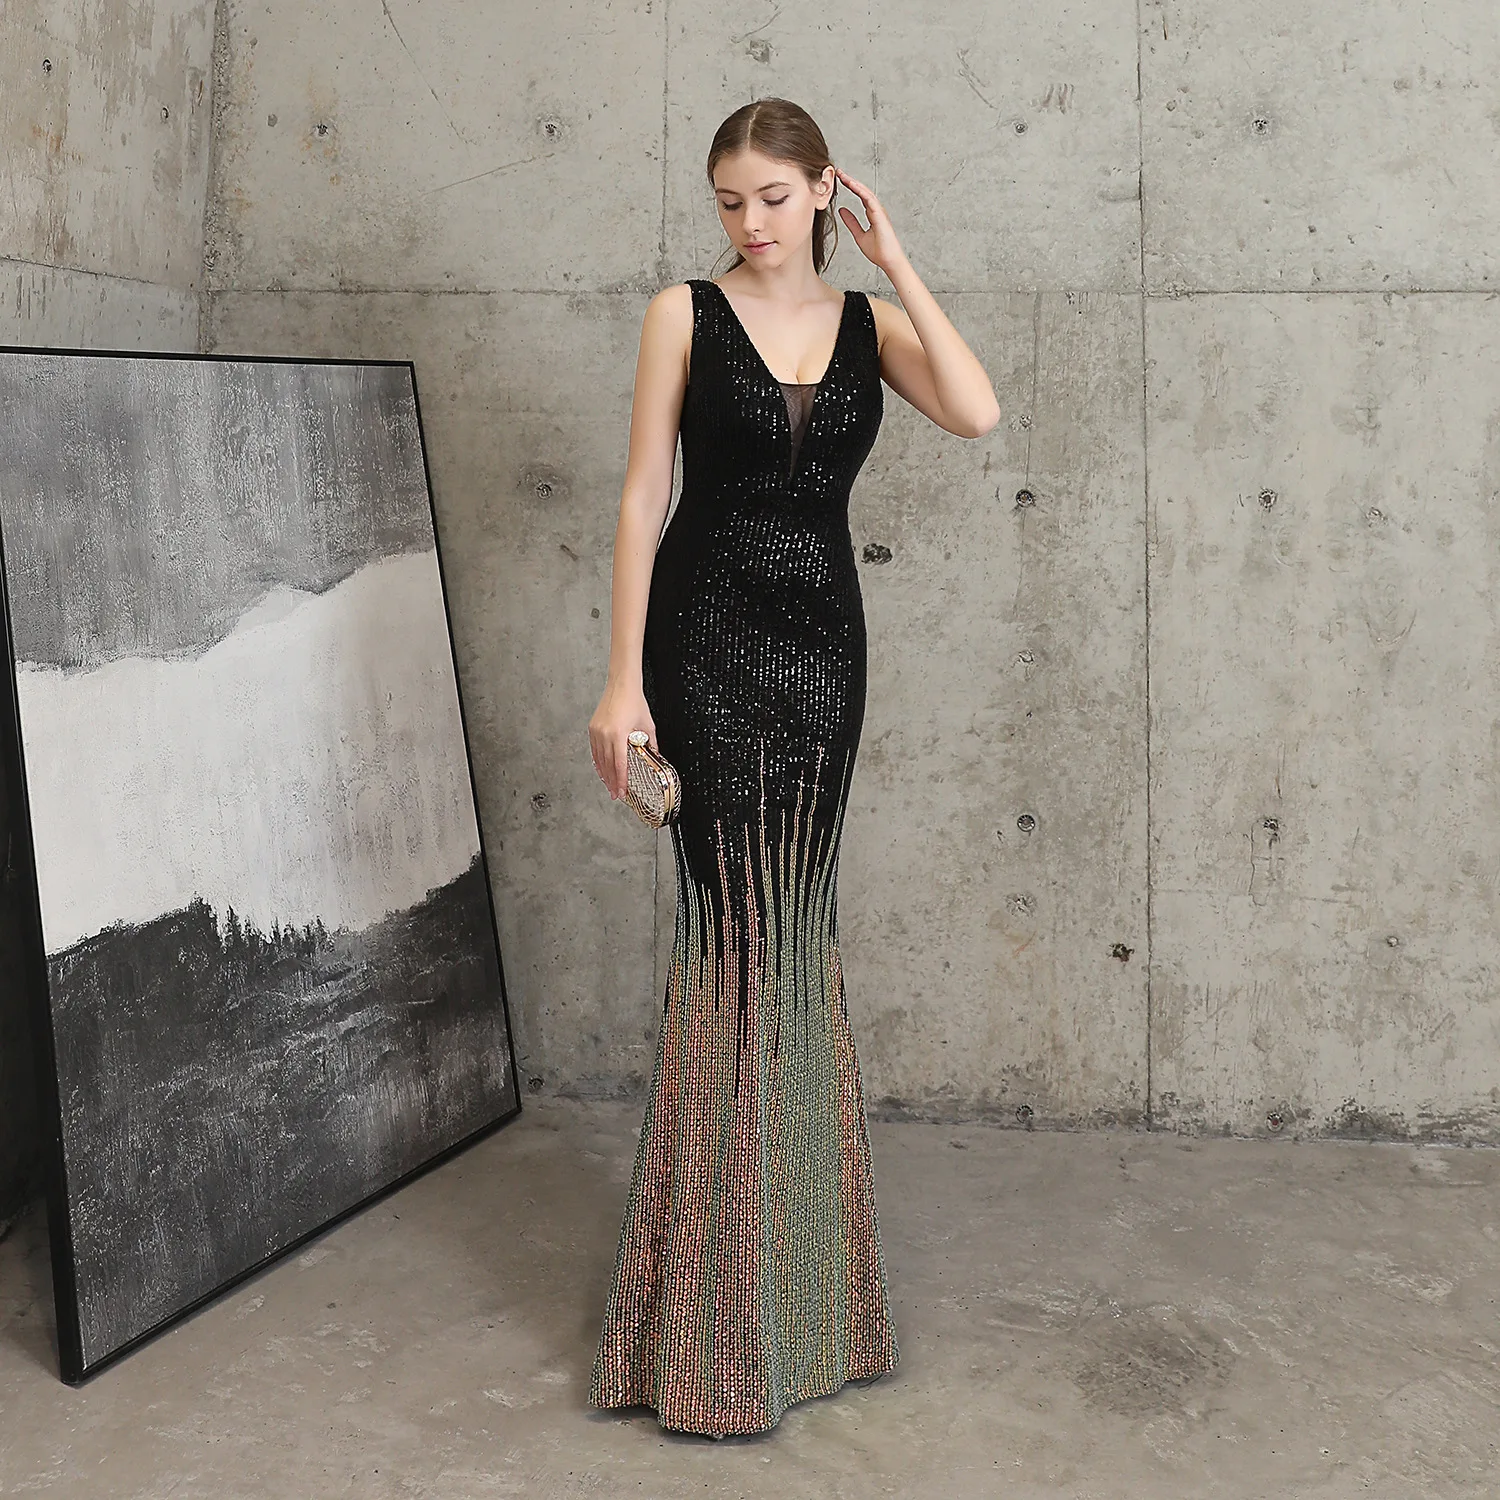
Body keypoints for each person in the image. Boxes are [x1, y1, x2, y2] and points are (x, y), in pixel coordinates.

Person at [585, 97, 1001, 1439]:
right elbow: (643, 494)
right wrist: (621, 682)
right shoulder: (682, 314)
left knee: (797, 941)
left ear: (825, 191)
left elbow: (977, 412)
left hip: (824, 656)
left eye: (773, 196)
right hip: (703, 645)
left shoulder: (871, 325)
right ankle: (711, 1317)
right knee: (733, 944)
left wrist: (899, 262)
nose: (750, 222)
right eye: (730, 201)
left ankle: (807, 1297)